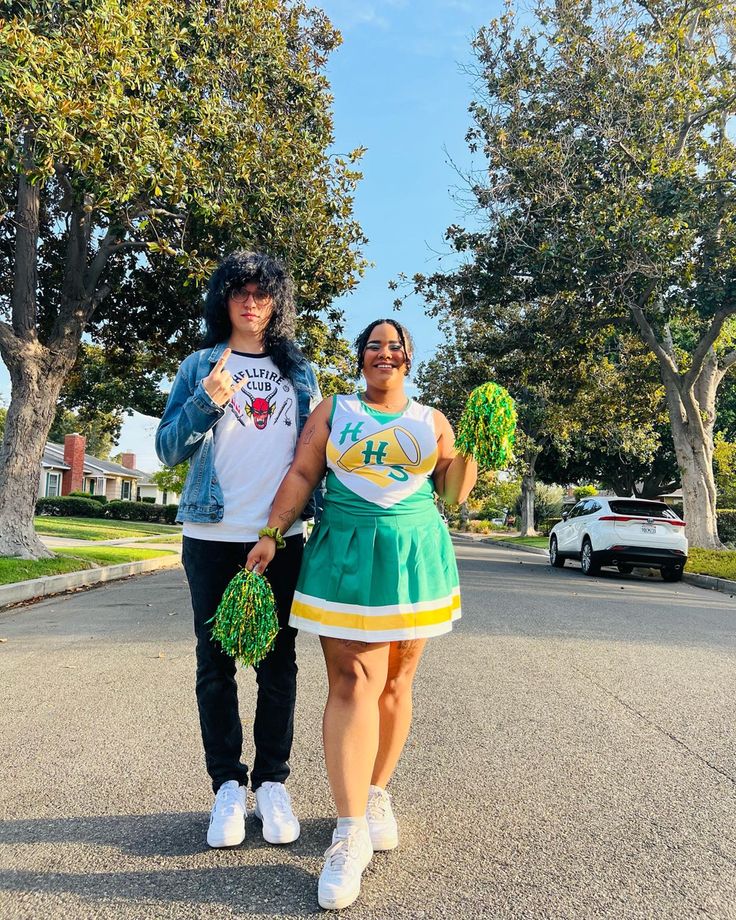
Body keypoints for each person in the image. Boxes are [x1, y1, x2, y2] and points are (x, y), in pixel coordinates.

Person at [246, 318, 477, 910]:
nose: (384, 353)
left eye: (394, 346)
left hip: (413, 554)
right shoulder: (335, 409)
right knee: (351, 681)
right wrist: (273, 531)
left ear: (408, 358)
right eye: (373, 345)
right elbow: (302, 472)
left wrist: (478, 449)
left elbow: (451, 494)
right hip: (344, 551)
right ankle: (349, 836)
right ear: (361, 358)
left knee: (397, 681)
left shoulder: (433, 421)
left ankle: (376, 791)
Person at [155, 250, 321, 849]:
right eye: (239, 291)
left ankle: (272, 782)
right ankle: (228, 784)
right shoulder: (202, 364)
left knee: (278, 663)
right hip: (210, 533)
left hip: (278, 537)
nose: (251, 302)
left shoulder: (299, 370)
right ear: (223, 300)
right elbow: (168, 448)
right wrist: (208, 400)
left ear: (277, 302)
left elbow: (314, 460)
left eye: (262, 292)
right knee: (215, 662)